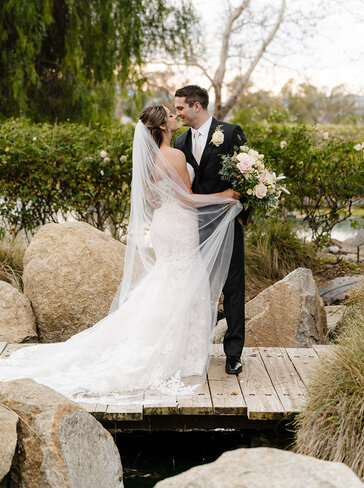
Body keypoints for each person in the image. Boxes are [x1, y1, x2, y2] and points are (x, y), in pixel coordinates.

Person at [0, 106, 241, 403]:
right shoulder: (175, 154)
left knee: (168, 279)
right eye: (169, 115)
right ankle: (178, 352)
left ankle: (160, 343)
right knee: (182, 280)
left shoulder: (149, 158)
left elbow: (153, 199)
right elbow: (188, 199)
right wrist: (225, 197)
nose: (174, 117)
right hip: (180, 224)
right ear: (162, 127)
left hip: (164, 224)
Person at [174, 85, 248, 375]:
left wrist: (243, 214)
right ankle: (196, 350)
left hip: (228, 225)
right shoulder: (179, 142)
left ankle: (233, 354)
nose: (177, 112)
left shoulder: (230, 133)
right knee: (196, 290)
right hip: (193, 229)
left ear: (196, 106)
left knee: (233, 289)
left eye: (180, 107)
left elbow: (250, 174)